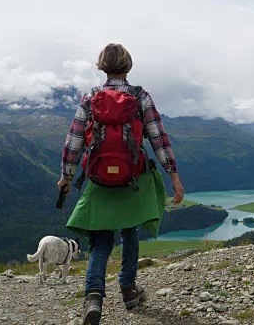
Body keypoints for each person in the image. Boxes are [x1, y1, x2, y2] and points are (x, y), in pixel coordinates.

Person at [57, 43, 184, 325]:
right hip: (132, 178)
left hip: (99, 178)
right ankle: (128, 290)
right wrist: (173, 175)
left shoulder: (91, 98)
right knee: (129, 232)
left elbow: (74, 140)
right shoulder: (140, 97)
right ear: (128, 66)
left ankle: (93, 297)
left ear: (102, 67)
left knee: (101, 240)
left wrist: (66, 176)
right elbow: (158, 139)